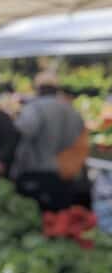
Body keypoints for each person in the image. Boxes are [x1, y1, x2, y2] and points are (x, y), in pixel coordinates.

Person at [13, 71, 87, 211]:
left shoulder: (35, 108)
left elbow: (23, 132)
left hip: (37, 174)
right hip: (66, 173)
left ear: (38, 88)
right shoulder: (72, 110)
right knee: (59, 217)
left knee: (37, 218)